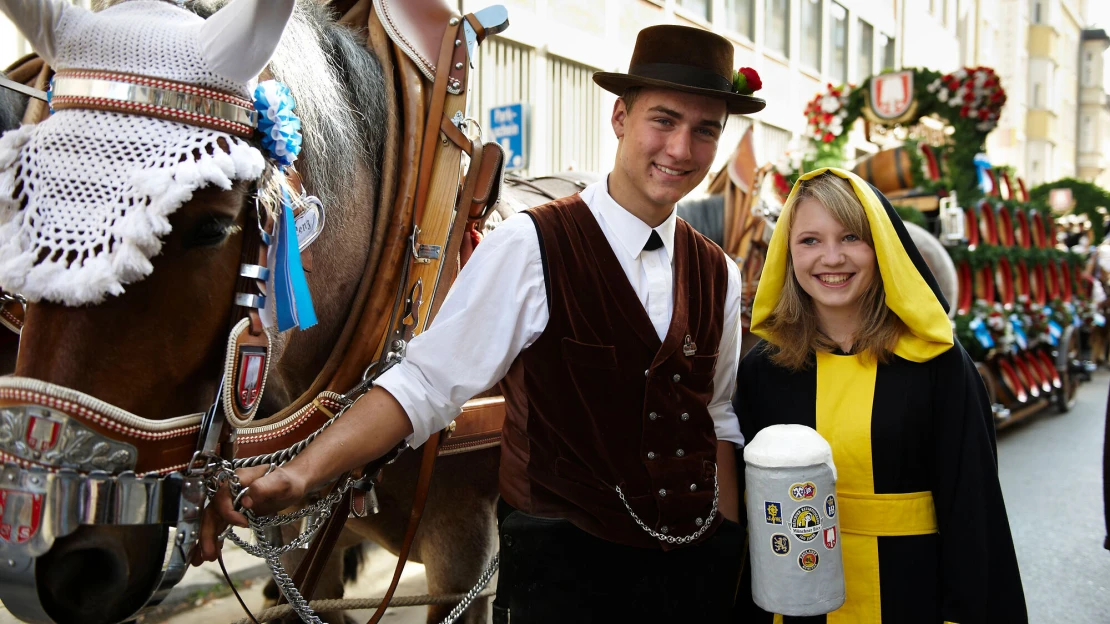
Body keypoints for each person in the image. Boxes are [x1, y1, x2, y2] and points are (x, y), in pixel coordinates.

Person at [196, 25, 766, 622]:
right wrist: (300, 474)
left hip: (693, 574)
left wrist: (726, 545)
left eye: (706, 130)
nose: (681, 148)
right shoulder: (533, 244)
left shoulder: (719, 273)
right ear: (620, 117)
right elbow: (427, 384)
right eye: (665, 120)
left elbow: (714, 416)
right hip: (566, 580)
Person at [733, 168, 1027, 623]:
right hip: (791, 602)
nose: (831, 258)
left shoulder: (938, 365)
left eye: (851, 237)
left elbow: (973, 511)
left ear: (882, 247)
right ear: (787, 254)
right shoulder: (763, 370)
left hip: (912, 594)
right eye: (810, 240)